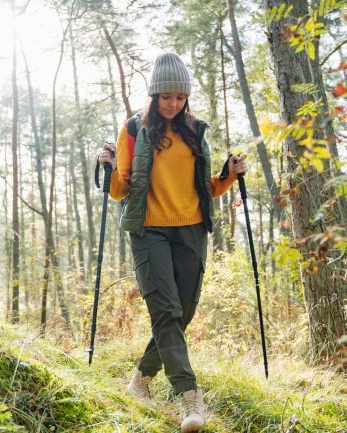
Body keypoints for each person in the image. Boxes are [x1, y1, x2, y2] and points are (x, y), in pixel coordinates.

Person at [97, 52, 248, 433]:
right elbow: (119, 191)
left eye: (179, 97)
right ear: (153, 95)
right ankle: (190, 399)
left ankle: (141, 380)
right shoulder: (134, 129)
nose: (173, 103)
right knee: (165, 310)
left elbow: (205, 189)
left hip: (192, 230)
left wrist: (227, 176)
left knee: (182, 311)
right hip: (149, 230)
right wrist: (110, 167)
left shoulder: (195, 130)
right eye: (166, 96)